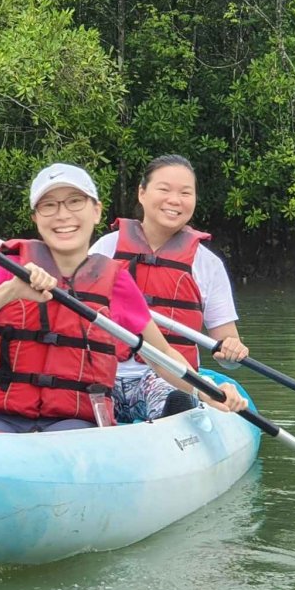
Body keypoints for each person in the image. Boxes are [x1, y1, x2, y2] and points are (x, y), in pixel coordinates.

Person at [0, 162, 247, 432]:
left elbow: (162, 356)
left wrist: (208, 392)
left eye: (74, 202)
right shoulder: (11, 266)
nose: (63, 215)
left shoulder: (114, 281)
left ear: (96, 211)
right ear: (35, 217)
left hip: (73, 421)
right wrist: (11, 290)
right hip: (2, 416)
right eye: (49, 205)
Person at [89, 155, 251, 423]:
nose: (174, 200)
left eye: (185, 193)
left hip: (169, 376)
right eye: (164, 189)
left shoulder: (207, 264)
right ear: (142, 193)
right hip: (105, 373)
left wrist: (233, 352)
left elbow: (227, 354)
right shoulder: (105, 250)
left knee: (172, 395)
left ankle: (176, 421)